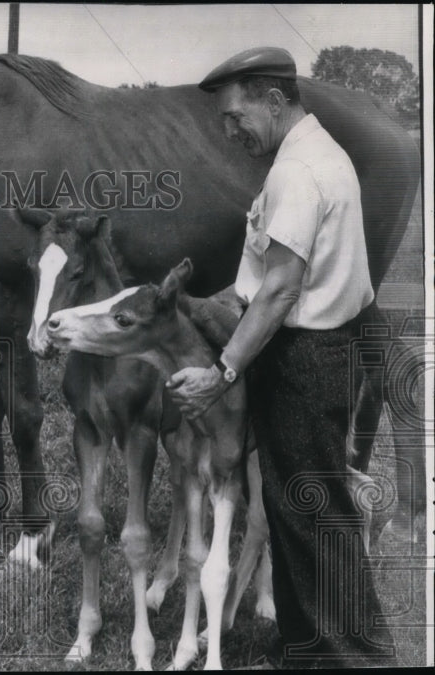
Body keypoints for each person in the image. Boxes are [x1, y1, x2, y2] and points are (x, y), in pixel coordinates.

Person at [167, 47, 393, 668]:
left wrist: (222, 372)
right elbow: (263, 278)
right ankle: (303, 644)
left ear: (273, 99)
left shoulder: (300, 171)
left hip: (305, 358)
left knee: (319, 517)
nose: (229, 130)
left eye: (236, 117)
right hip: (313, 351)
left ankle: (359, 658)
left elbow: (281, 288)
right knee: (292, 510)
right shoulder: (310, 155)